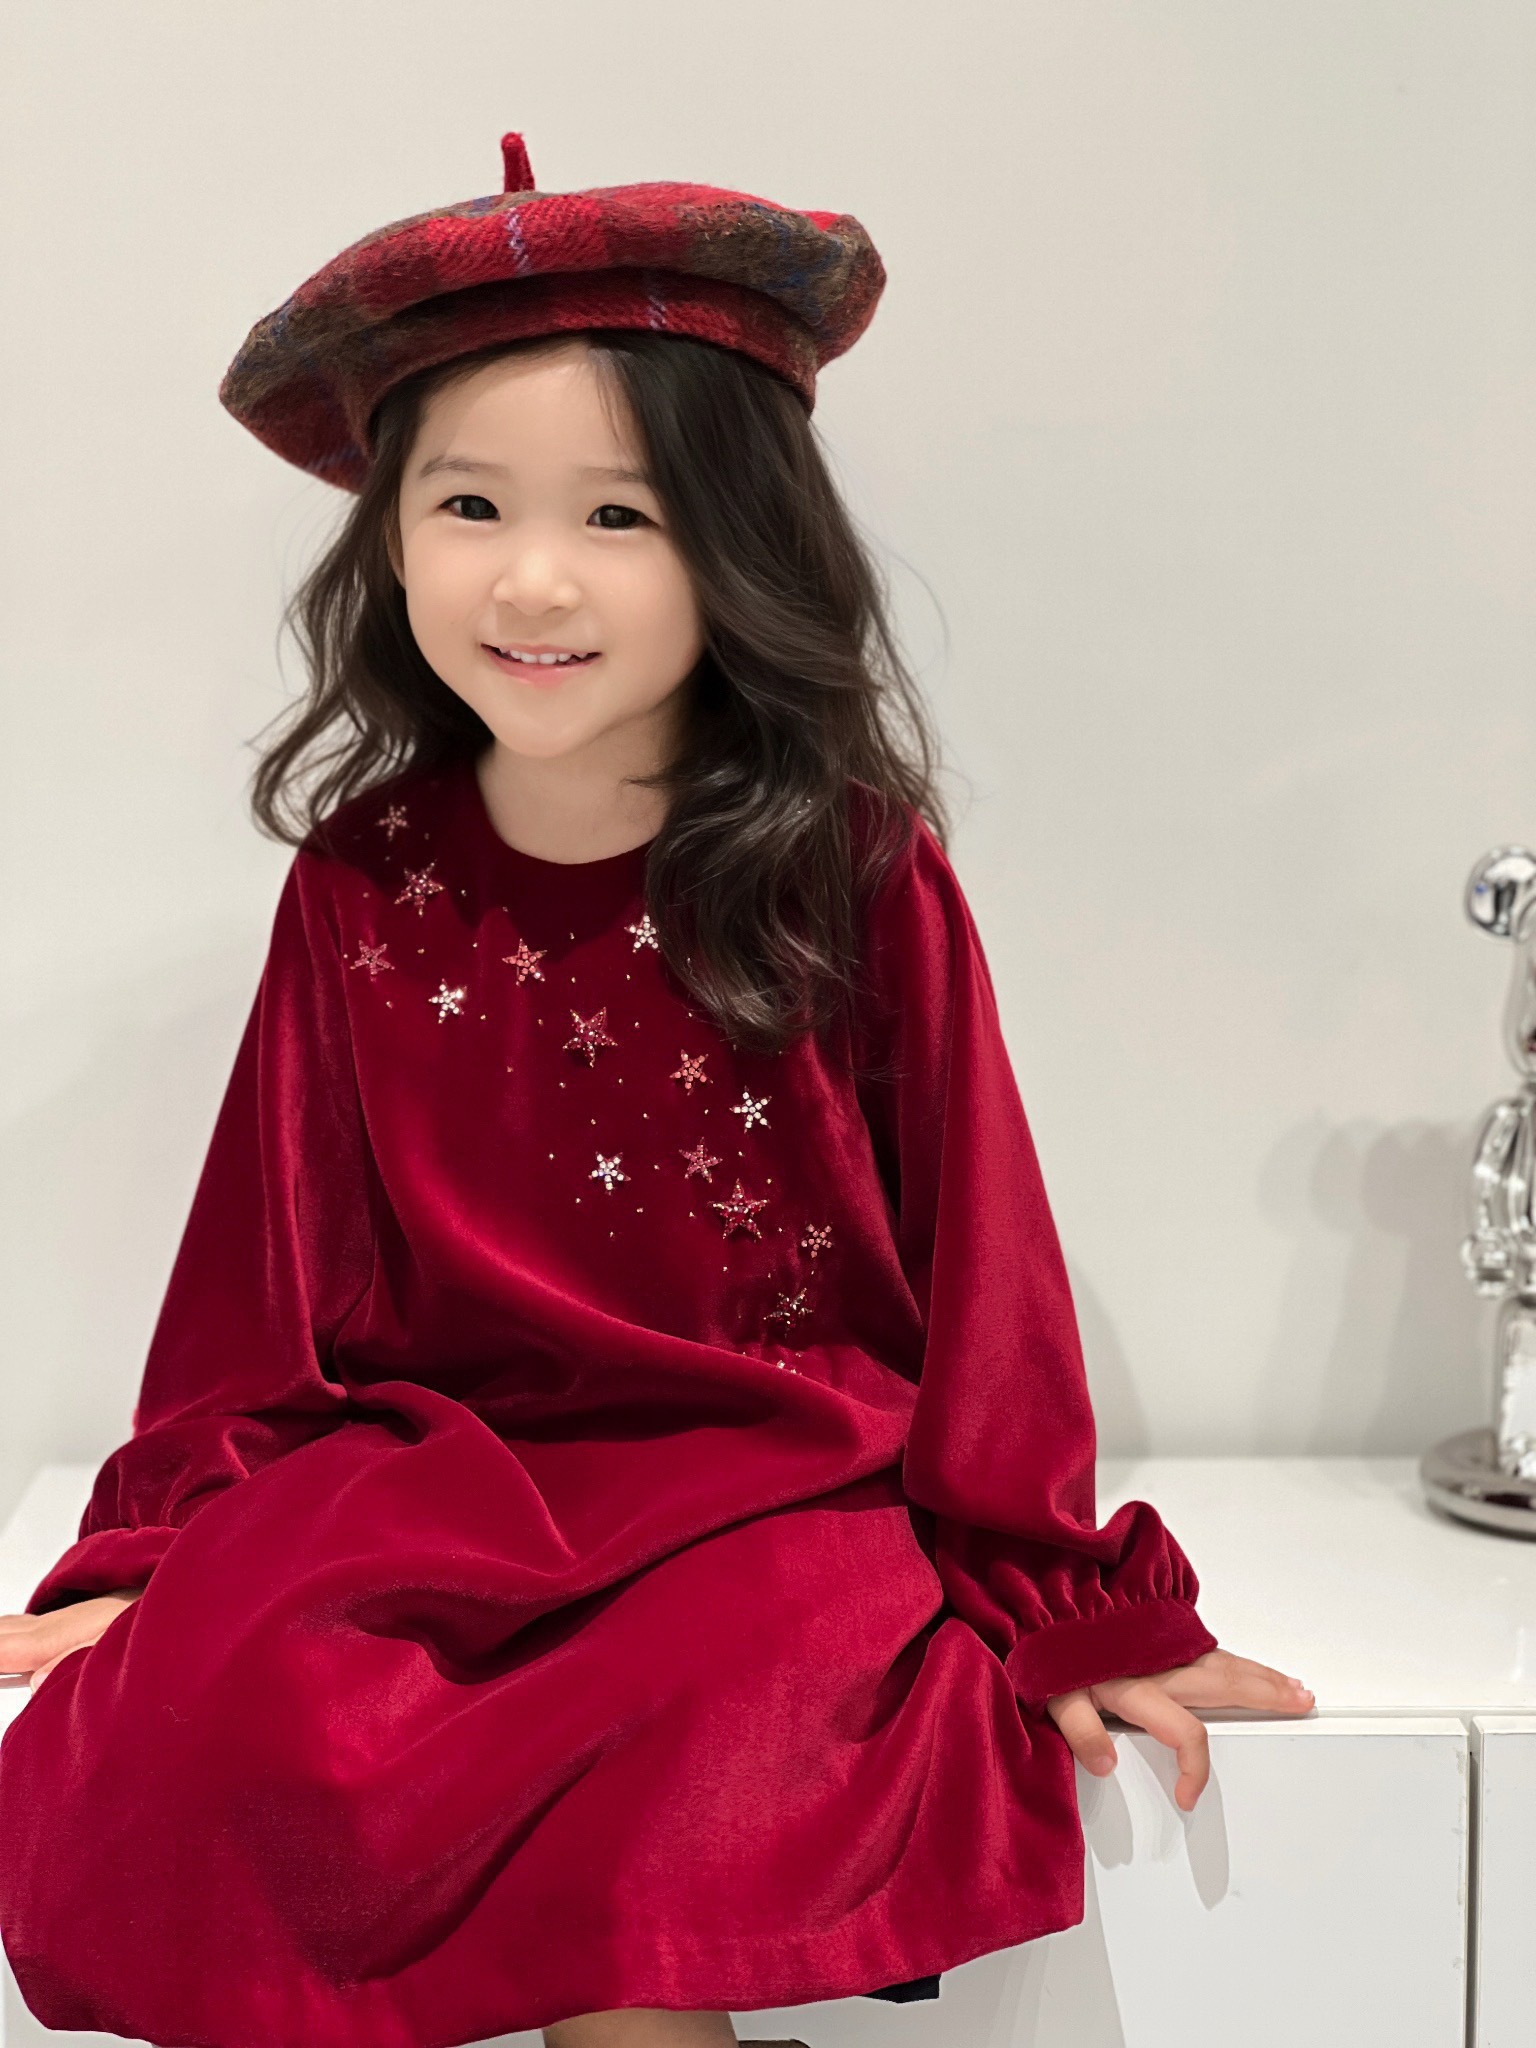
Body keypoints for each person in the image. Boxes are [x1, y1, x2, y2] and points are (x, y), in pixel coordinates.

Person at [0, 131, 1312, 2048]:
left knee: (679, 1789)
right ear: (389, 536)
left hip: (771, 1484)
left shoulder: (844, 864)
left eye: (620, 514)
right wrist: (162, 1555)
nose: (533, 577)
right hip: (439, 1478)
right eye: (467, 503)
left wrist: (1047, 1591)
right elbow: (261, 1283)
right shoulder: (362, 881)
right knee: (218, 1734)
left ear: (740, 542)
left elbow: (986, 1263)